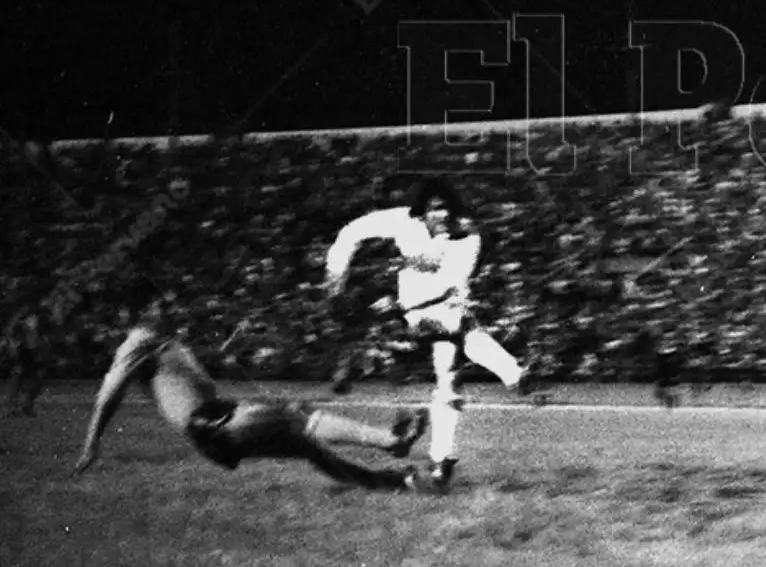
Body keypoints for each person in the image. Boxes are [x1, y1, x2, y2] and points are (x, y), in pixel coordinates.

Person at [323, 179, 534, 492]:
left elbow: (456, 277)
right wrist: (335, 279)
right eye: (435, 208)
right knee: (456, 344)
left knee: (448, 379)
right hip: (418, 310)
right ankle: (513, 374)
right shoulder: (402, 220)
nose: (442, 215)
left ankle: (441, 463)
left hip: (448, 304)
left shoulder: (466, 235)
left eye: (447, 209)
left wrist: (432, 257)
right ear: (422, 211)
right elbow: (351, 233)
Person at [74, 302, 427, 490]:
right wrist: (92, 443)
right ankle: (391, 443)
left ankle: (395, 479)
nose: (171, 309)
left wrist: (228, 346)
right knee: (294, 415)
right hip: (211, 426)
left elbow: (190, 376)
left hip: (219, 418)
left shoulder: (165, 341)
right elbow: (108, 395)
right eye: (161, 305)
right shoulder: (136, 344)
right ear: (141, 312)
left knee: (308, 446)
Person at [6, 300, 47, 417]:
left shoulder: (32, 320)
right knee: (20, 379)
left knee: (36, 379)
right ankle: (15, 408)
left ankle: (25, 406)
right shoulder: (20, 324)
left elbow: (36, 339)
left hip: (31, 352)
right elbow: (14, 340)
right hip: (24, 352)